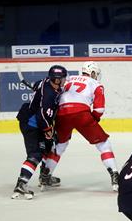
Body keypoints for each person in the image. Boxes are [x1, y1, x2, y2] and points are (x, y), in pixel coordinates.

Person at [42, 61, 119, 191]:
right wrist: (92, 120)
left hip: (61, 114)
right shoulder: (96, 84)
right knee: (103, 144)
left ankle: (45, 176)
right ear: (93, 73)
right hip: (82, 114)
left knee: (60, 145)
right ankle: (115, 176)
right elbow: (99, 109)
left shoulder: (68, 79)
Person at [11, 65, 67, 200]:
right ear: (57, 80)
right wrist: (48, 130)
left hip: (35, 122)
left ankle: (44, 177)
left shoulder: (45, 82)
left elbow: (38, 84)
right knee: (35, 154)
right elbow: (42, 117)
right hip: (31, 124)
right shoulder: (50, 95)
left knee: (48, 147)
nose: (65, 81)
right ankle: (21, 183)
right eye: (62, 79)